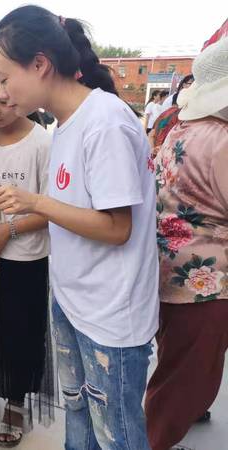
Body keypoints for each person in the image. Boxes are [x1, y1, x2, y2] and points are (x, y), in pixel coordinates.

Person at [0, 6, 159, 449]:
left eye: (4, 79)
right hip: (73, 302)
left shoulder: (105, 123)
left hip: (110, 318)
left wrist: (34, 202)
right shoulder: (66, 124)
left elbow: (117, 228)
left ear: (40, 64)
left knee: (116, 435)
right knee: (79, 419)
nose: (1, 94)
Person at [145, 38, 228, 450]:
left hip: (169, 272)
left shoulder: (181, 128)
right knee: (187, 382)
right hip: (207, 284)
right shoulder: (223, 140)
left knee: (174, 366)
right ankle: (154, 440)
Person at [0, 61, 55, 448]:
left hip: (26, 259)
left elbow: (52, 209)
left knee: (20, 332)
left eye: (4, 101)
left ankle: (16, 401)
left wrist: (7, 229)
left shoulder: (42, 143)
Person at [149, 75, 194, 156]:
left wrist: (152, 150)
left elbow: (151, 134)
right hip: (168, 156)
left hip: (158, 154)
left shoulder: (165, 114)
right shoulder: (183, 117)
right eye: (191, 83)